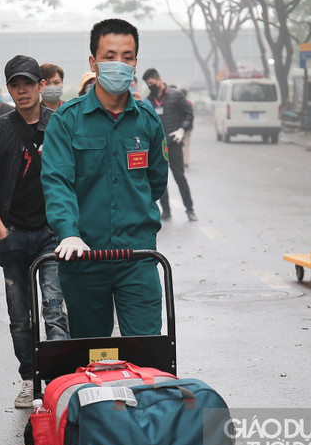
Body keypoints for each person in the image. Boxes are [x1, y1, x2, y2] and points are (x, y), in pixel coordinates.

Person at [42, 18, 169, 339]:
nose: (119, 64)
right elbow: (57, 182)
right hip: (83, 255)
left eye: (127, 57)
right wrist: (68, 232)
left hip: (138, 257)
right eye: (110, 56)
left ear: (136, 62)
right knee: (91, 354)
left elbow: (156, 181)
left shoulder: (148, 121)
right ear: (93, 63)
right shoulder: (67, 121)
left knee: (147, 350)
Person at [0, 55, 69, 407]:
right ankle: (30, 379)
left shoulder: (59, 124)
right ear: (9, 88)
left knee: (55, 307)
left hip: (51, 233)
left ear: (41, 85)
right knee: (19, 316)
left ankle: (60, 381)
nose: (22, 90)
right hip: (12, 232)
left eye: (28, 83)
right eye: (15, 84)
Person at [142, 69, 197, 221]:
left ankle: (190, 209)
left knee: (180, 177)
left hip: (174, 143)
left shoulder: (176, 96)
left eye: (152, 83)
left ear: (159, 79)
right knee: (160, 180)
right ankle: (166, 210)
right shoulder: (149, 101)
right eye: (148, 85)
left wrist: (182, 129)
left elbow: (189, 114)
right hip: (157, 147)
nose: (151, 86)